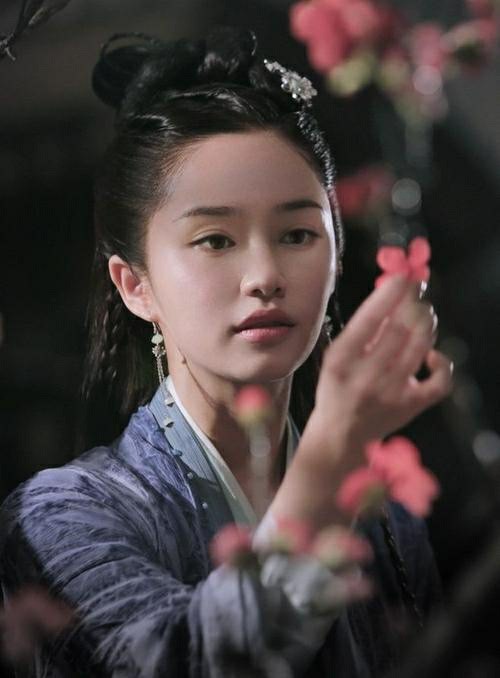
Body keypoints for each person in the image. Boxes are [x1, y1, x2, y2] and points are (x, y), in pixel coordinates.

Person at [0, 27, 452, 678]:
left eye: (297, 234)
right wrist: (333, 451)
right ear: (135, 286)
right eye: (215, 240)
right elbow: (181, 660)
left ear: (336, 258)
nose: (264, 275)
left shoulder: (388, 521)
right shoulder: (64, 516)